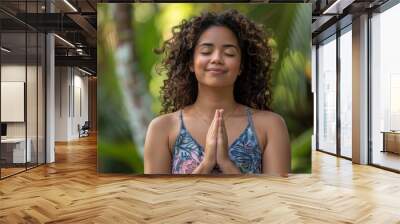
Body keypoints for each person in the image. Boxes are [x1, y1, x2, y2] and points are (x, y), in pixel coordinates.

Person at [144, 9, 290, 175]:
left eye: (229, 53)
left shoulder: (270, 126)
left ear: (241, 66)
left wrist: (226, 164)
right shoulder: (163, 128)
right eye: (206, 51)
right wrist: (205, 165)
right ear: (191, 63)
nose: (217, 59)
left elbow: (277, 198)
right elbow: (159, 200)